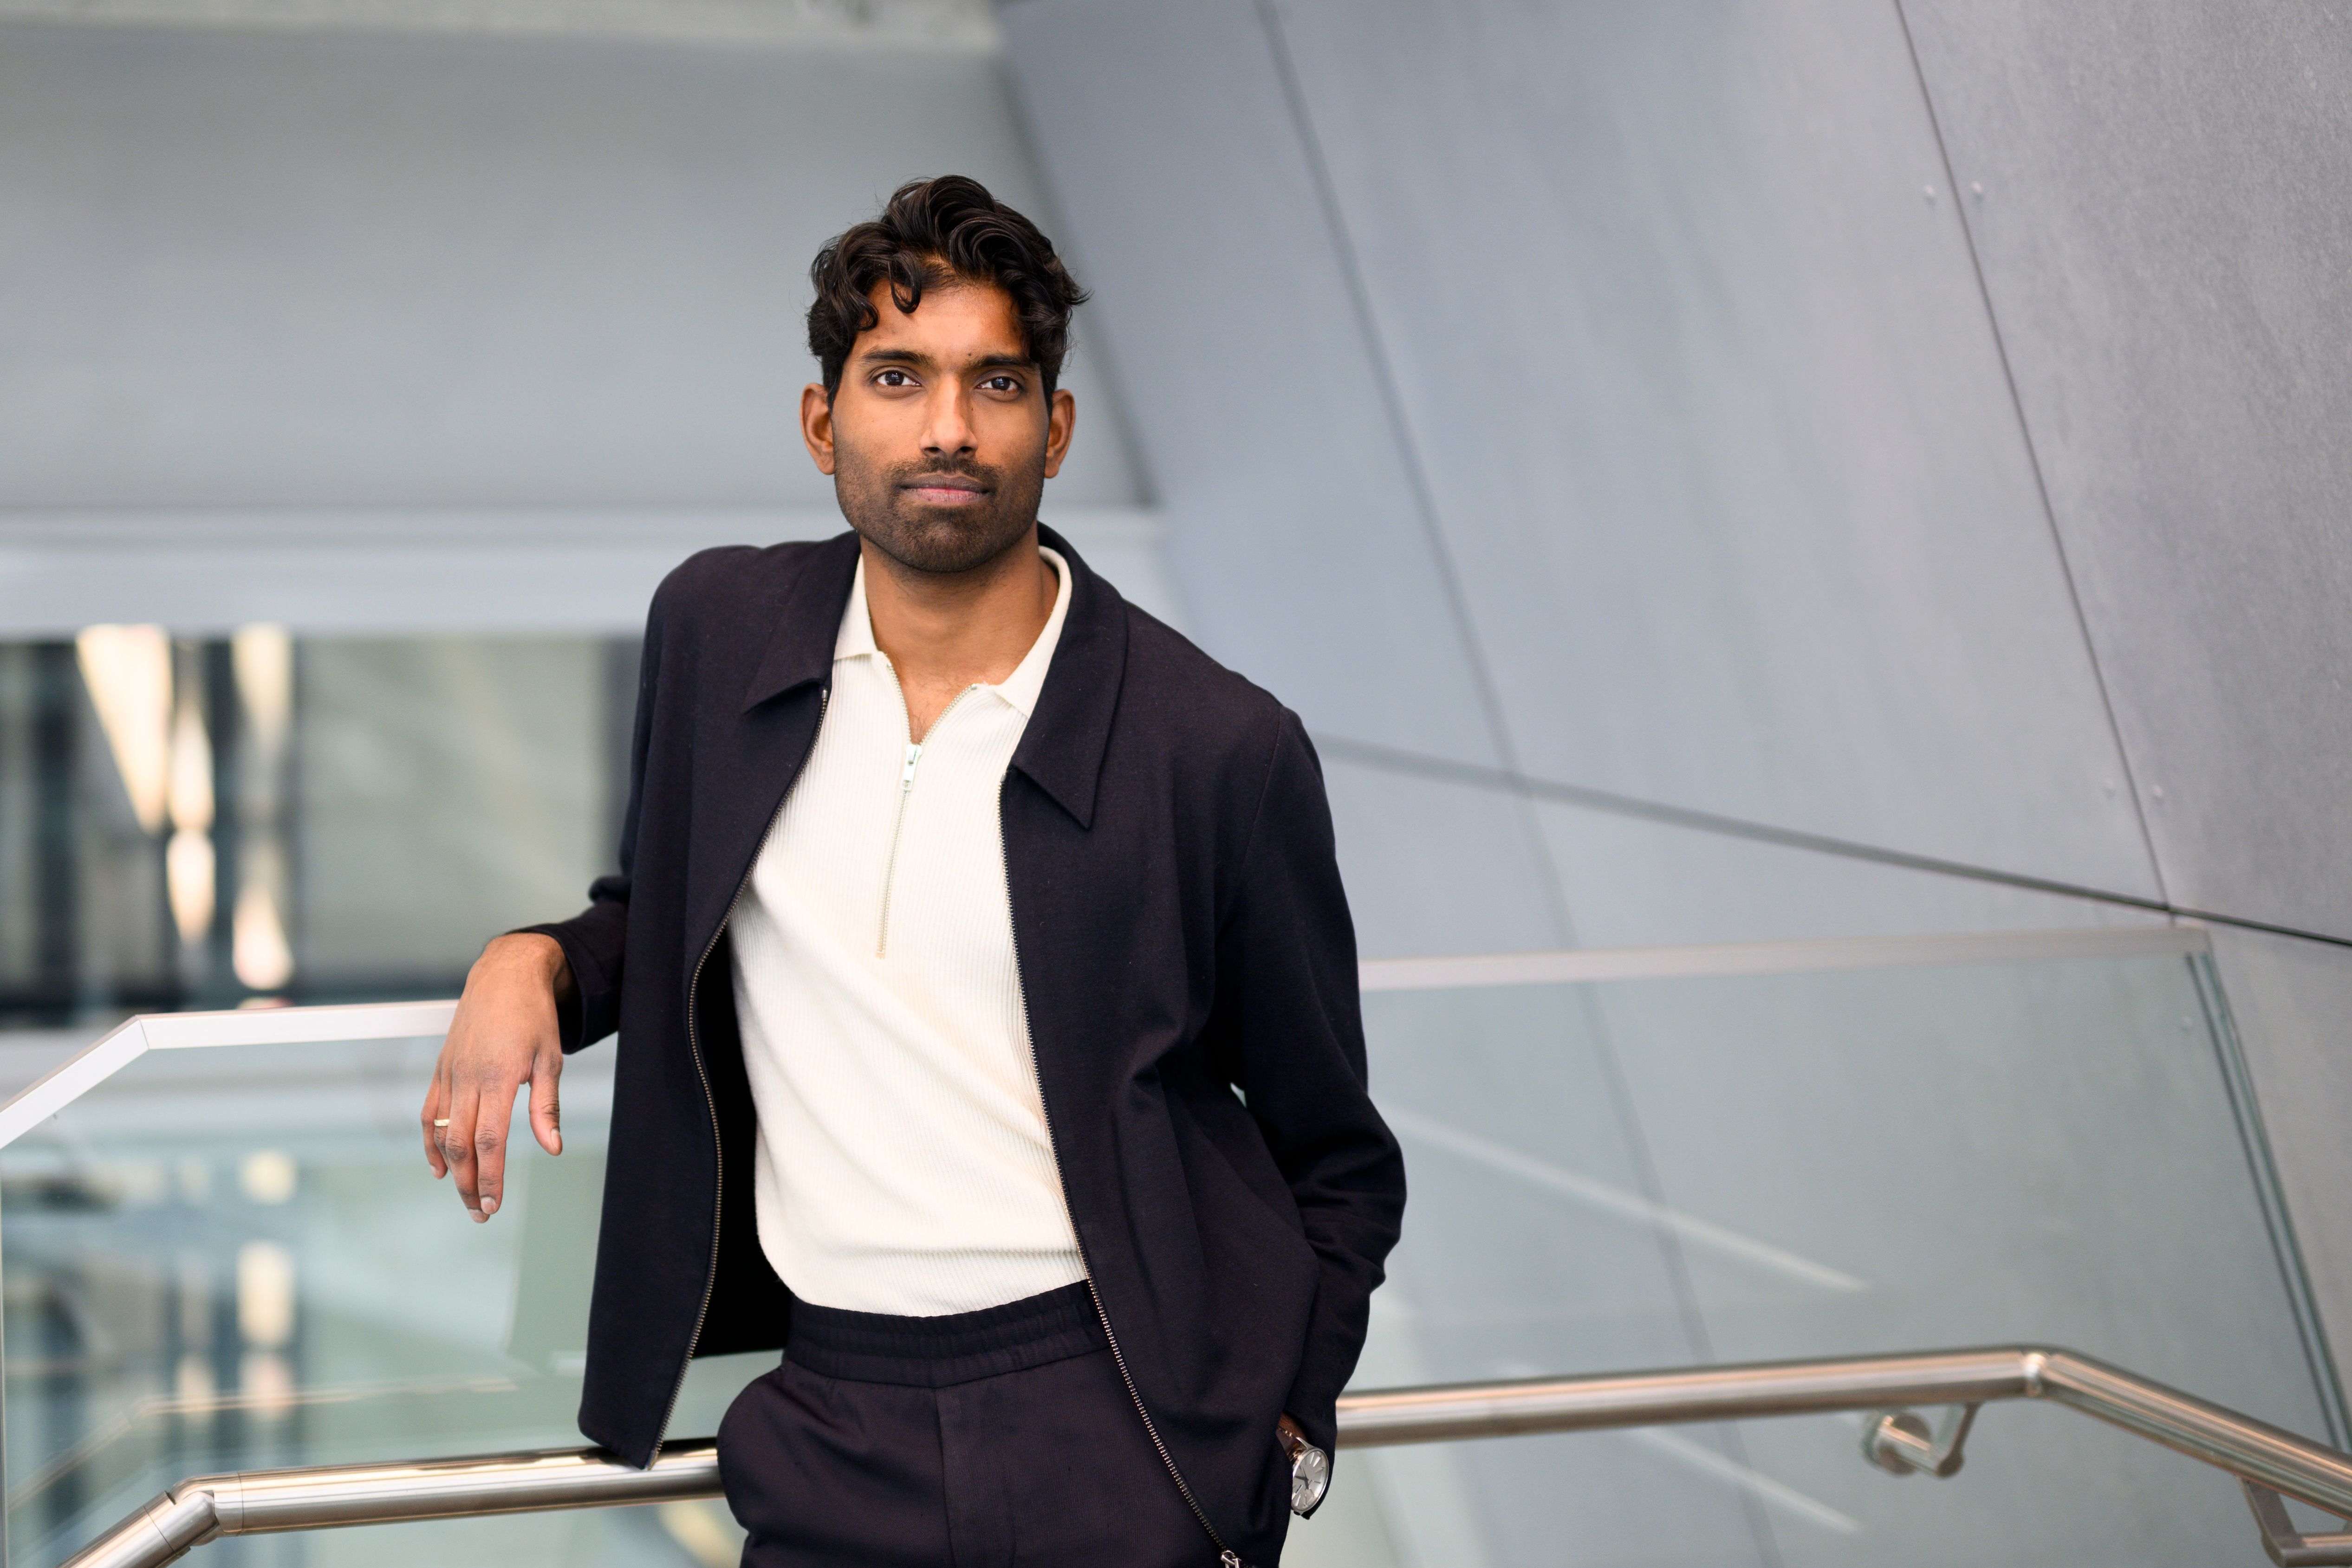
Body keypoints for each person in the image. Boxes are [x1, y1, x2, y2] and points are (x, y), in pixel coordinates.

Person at [419, 175, 1404, 1568]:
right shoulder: (720, 629)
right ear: (823, 421)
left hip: (1117, 1413)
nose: (949, 426)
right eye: (898, 377)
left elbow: (1335, 1153)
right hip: (829, 1404)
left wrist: (1282, 1421)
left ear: (1055, 427)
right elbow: (672, 903)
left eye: (996, 383)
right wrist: (530, 960)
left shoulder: (1216, 745)